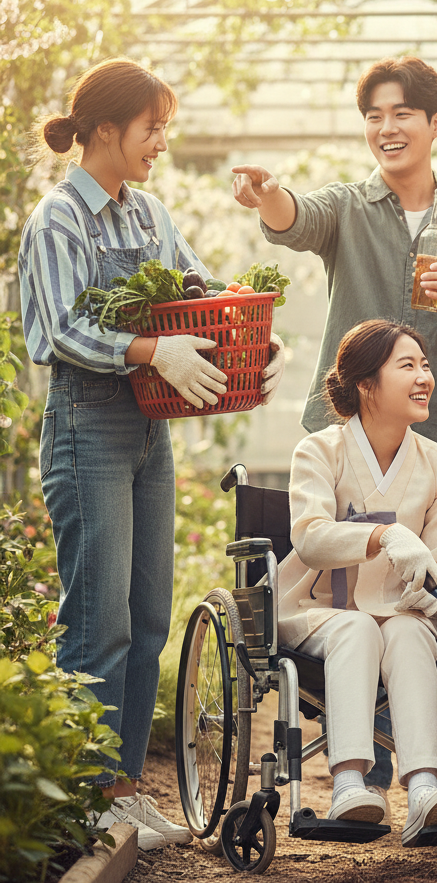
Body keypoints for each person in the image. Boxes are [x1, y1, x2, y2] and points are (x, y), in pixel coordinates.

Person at [18, 58, 285, 851]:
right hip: (88, 427)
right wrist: (148, 350)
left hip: (147, 431)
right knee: (98, 620)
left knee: (146, 617)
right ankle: (83, 798)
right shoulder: (58, 219)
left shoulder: (149, 214)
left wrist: (252, 343)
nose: (162, 143)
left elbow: (204, 292)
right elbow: (56, 332)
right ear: (105, 130)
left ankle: (124, 790)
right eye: (152, 127)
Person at [231, 56, 437, 808]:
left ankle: (432, 776)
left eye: (402, 114)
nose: (387, 128)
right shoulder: (348, 209)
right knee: (352, 611)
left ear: (435, 123)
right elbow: (294, 219)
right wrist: (268, 193)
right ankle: (365, 780)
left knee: (424, 606)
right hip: (348, 436)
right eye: (374, 116)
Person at [278, 319, 437, 844]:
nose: (425, 377)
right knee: (357, 627)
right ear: (366, 384)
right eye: (407, 366)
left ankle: (426, 789)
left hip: (403, 612)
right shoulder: (318, 451)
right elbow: (310, 537)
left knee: (407, 632)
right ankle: (348, 784)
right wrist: (384, 536)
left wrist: (428, 590)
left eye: (425, 365)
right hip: (319, 610)